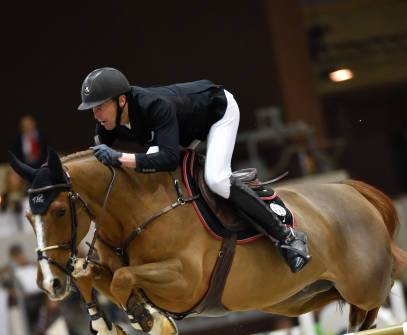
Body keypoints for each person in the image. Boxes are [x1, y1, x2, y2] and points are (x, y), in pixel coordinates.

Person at [78, 67, 310, 273]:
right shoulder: (106, 123)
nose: (96, 115)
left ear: (121, 101)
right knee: (150, 173)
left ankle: (286, 236)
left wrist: (120, 157)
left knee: (216, 179)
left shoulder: (155, 106)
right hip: (180, 131)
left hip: (217, 113)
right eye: (92, 109)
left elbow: (168, 159)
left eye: (100, 107)